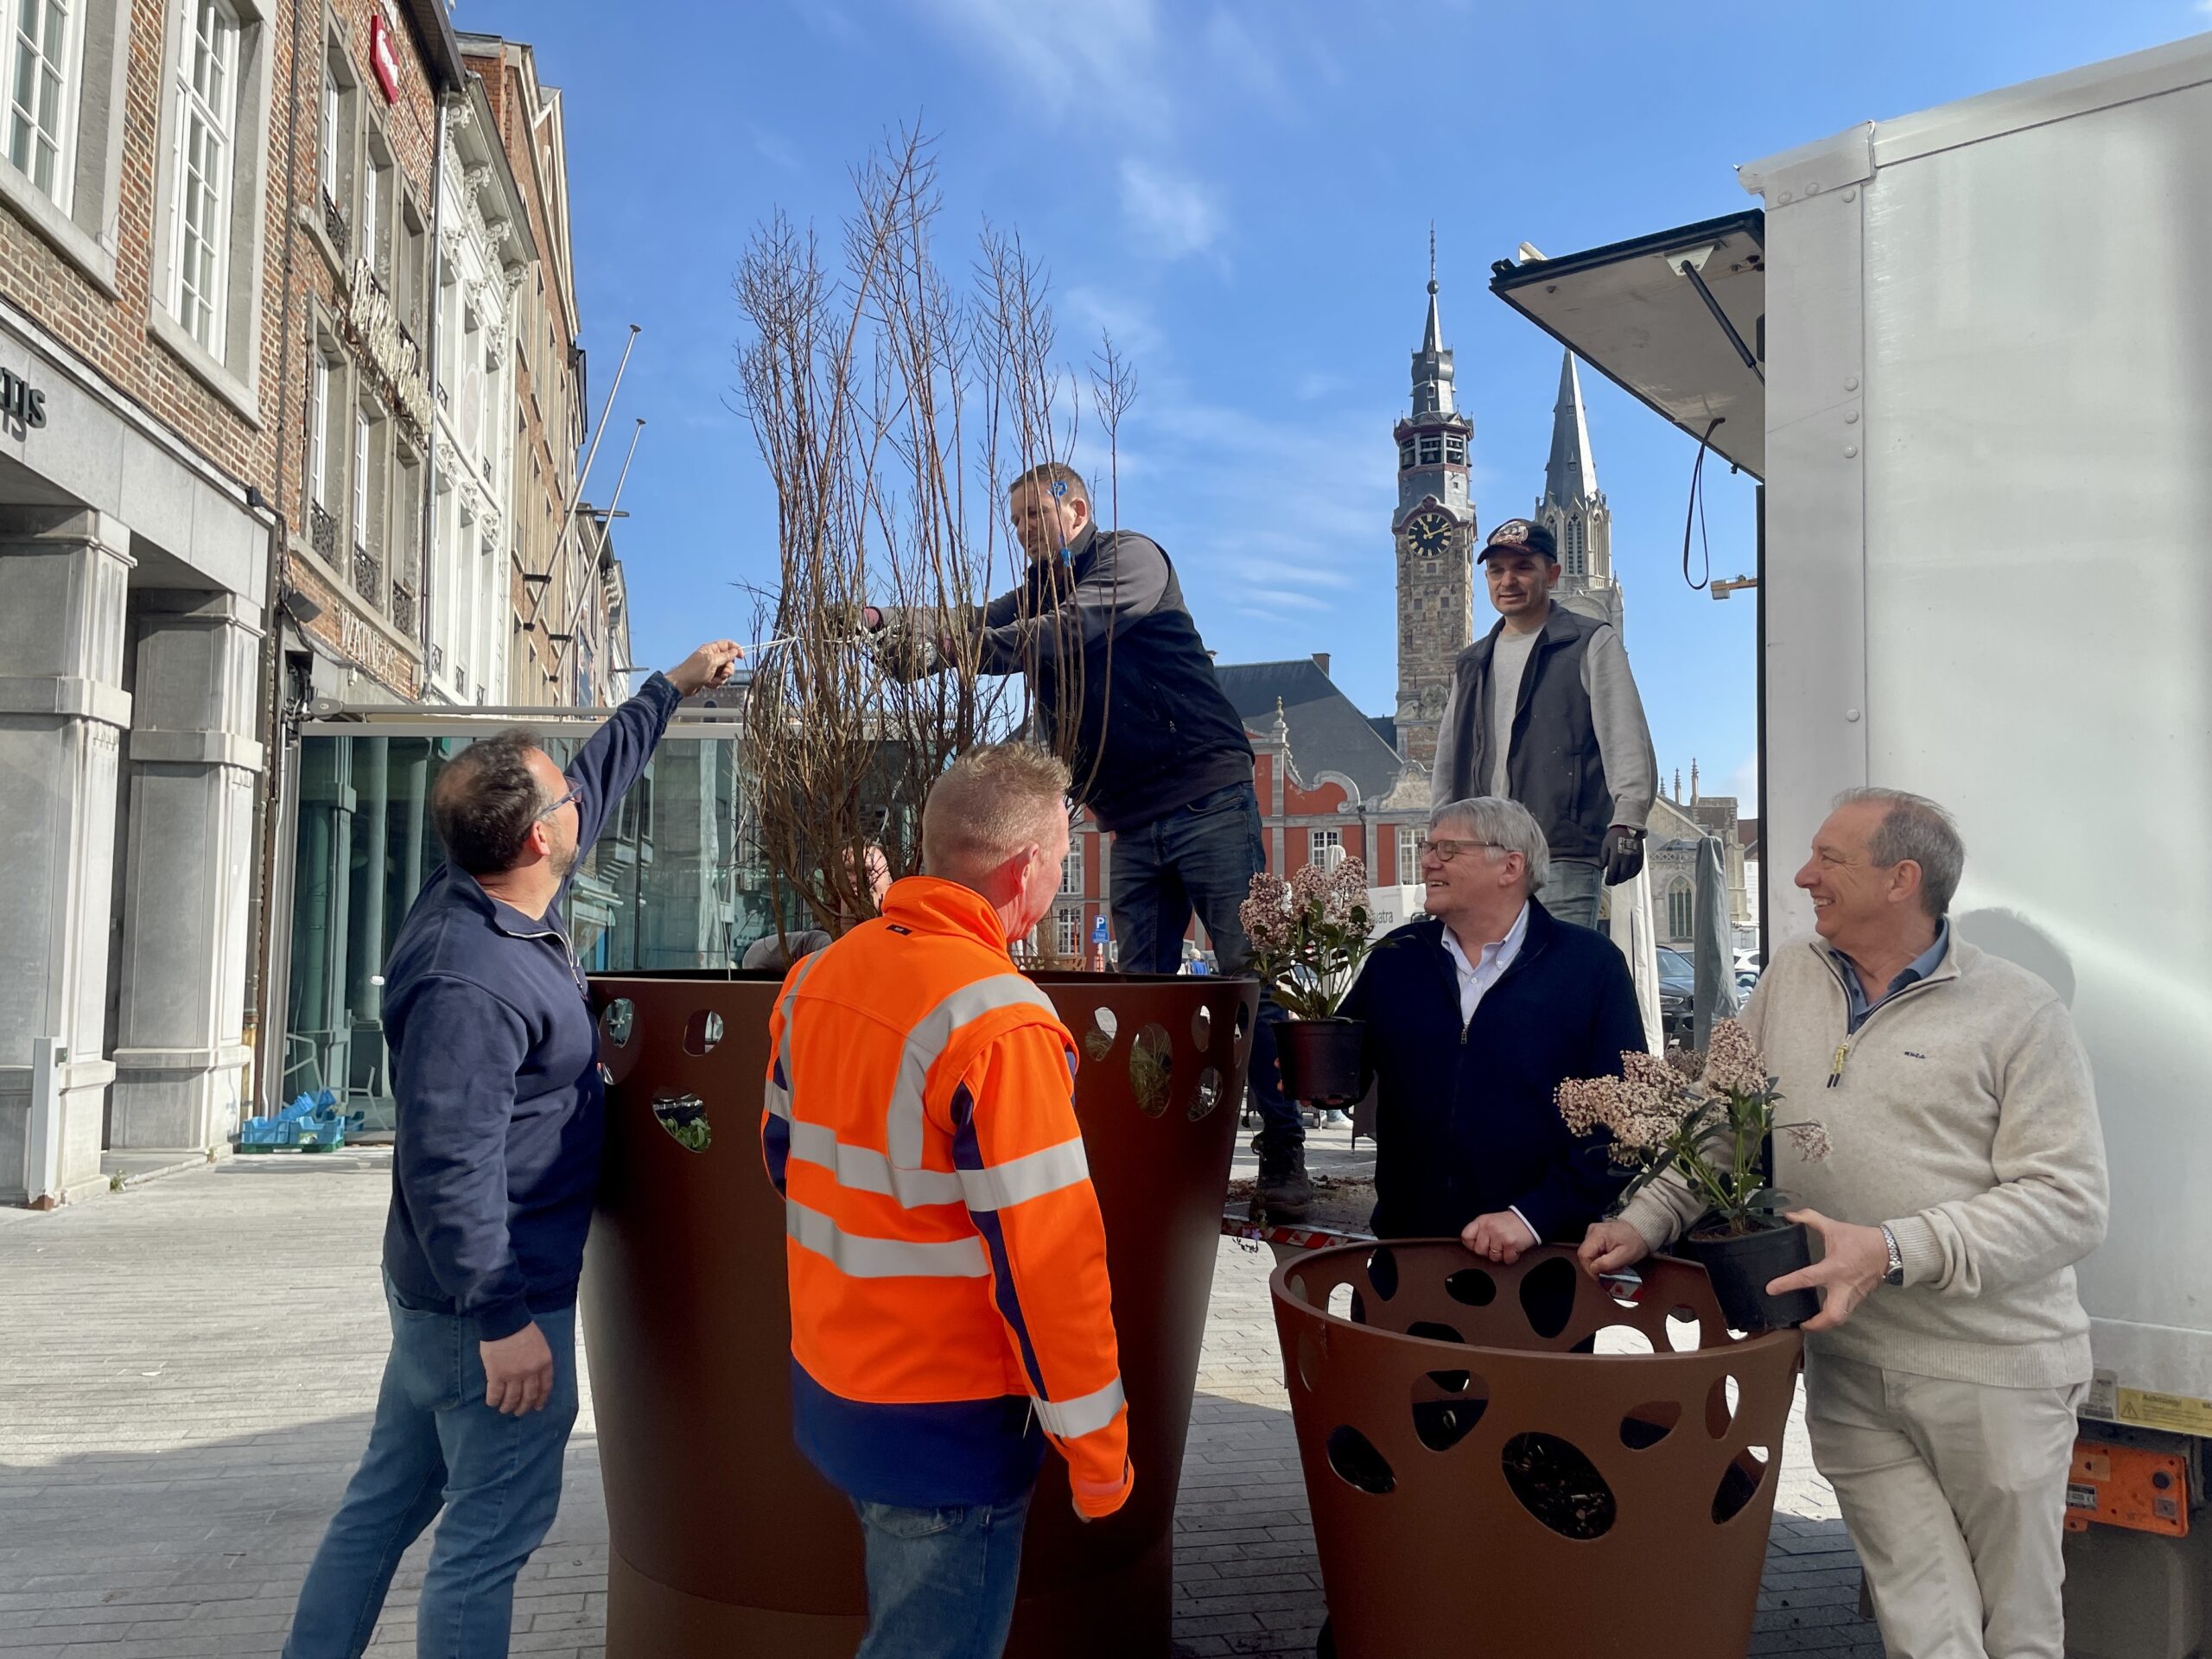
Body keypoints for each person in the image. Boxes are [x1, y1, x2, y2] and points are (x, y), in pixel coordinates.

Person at [283, 640, 744, 1659]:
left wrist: (668, 690)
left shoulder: (490, 898)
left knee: (382, 1507)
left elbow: (595, 779)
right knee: (485, 1544)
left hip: (440, 1302)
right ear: (539, 839)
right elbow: (447, 1160)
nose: (580, 798)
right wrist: (501, 1321)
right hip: (486, 1307)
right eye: (558, 797)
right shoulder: (470, 977)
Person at [1580, 789, 2108, 1659]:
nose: (1801, 876)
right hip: (1852, 1372)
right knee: (1922, 1629)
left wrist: (1894, 1250)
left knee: (2016, 1631)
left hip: (1996, 1377)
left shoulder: (2020, 1014)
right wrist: (1644, 1218)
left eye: (1829, 860)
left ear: (1902, 880)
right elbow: (1719, 1120)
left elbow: (2068, 1203)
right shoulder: (1791, 976)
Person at [861, 461, 1313, 1216]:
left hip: (1206, 796)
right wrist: (886, 622)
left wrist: (950, 654)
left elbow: (1067, 635)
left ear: (1076, 508)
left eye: (1035, 516)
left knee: (1246, 978)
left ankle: (1283, 1148)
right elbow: (978, 619)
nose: (1025, 533)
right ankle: (1147, 1146)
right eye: (1015, 524)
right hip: (1129, 817)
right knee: (1138, 993)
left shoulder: (1131, 560)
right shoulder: (1038, 589)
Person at [762, 743, 1132, 1659]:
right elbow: (1050, 1264)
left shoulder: (818, 976)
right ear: (1024, 869)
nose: (1063, 868)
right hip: (949, 1420)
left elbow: (784, 1158)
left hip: (838, 1380)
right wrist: (1098, 1455)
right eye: (1062, 852)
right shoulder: (1001, 1020)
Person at [1339, 795, 1646, 1249]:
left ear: (1510, 867)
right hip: (1408, 1256)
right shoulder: (1397, 956)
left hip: (1541, 1269)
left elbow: (1627, 1121)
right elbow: (1343, 1071)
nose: (1427, 862)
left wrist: (1535, 1217)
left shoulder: (1590, 966)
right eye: (1427, 848)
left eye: (1447, 850)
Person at [1431, 519, 1656, 931]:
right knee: (1486, 979)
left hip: (1560, 849)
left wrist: (1628, 819)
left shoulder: (1590, 641)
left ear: (1551, 574)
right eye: (1497, 571)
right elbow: (1448, 759)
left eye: (1522, 567)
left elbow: (1624, 734)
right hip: (1481, 851)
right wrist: (1440, 833)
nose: (1508, 580)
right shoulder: (1472, 662)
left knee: (1555, 980)